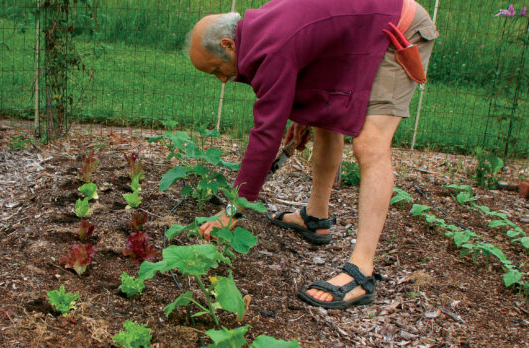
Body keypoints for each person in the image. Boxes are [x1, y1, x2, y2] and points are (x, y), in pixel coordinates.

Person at [186, 0, 438, 310]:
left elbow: (265, 136)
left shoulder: (270, 49)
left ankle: (361, 272)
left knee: (370, 145)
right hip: (361, 32)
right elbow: (314, 44)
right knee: (325, 119)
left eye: (217, 70)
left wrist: (233, 208)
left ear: (228, 44)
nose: (223, 80)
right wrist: (304, 115)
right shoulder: (261, 30)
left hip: (398, 30)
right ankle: (315, 218)